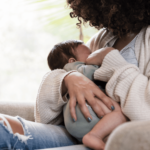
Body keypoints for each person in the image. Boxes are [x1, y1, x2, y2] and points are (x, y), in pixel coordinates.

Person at [0, 0, 150, 149]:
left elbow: (145, 113)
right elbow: (44, 114)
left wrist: (111, 59)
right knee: (3, 128)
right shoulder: (104, 37)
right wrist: (69, 79)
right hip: (73, 132)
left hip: (111, 138)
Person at [47, 39, 129, 149]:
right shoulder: (76, 69)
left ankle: (97, 139)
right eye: (90, 54)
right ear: (72, 61)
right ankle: (94, 135)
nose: (92, 56)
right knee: (120, 114)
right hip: (84, 113)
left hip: (73, 122)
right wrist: (105, 57)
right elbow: (96, 71)